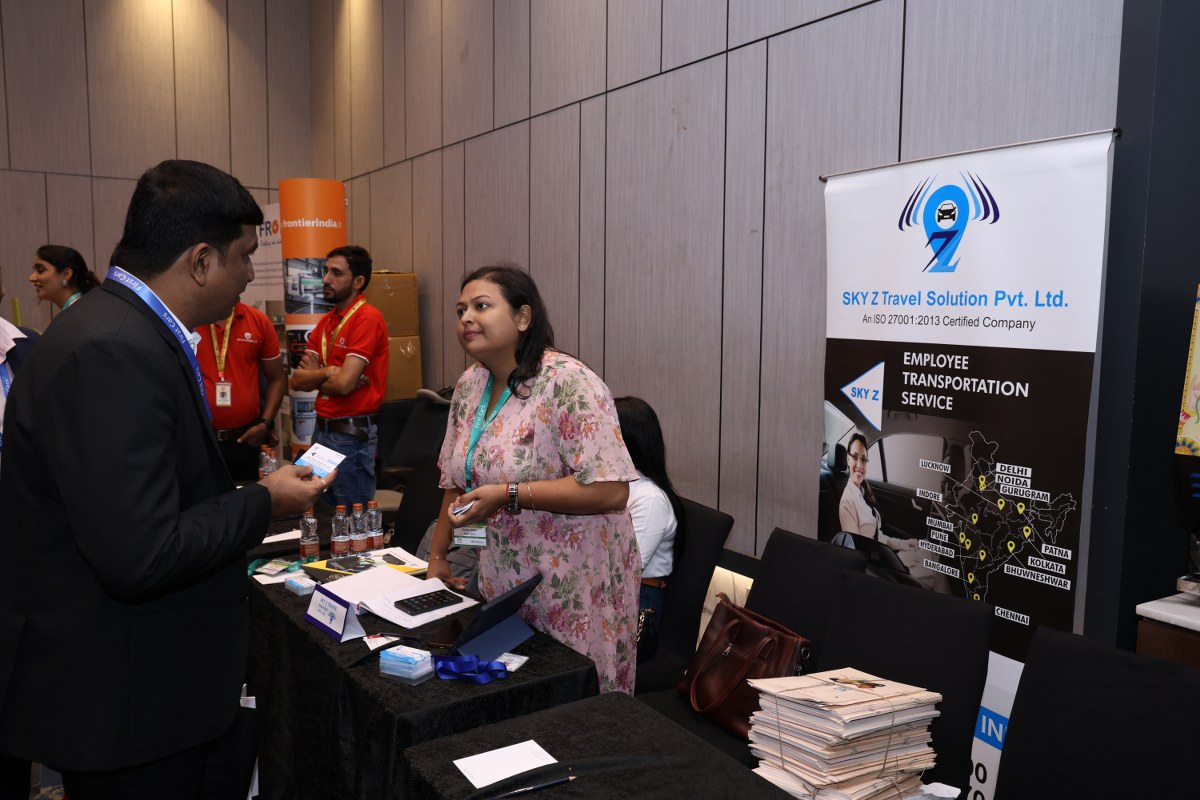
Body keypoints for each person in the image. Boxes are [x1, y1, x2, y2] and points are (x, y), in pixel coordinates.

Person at [0, 159, 332, 800]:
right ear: (201, 260)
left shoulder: (119, 328)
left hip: (144, 688)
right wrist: (263, 501)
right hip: (129, 701)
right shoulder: (114, 349)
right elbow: (140, 553)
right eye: (244, 257)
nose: (248, 276)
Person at [429, 265, 641, 693]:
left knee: (574, 703)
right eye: (460, 310)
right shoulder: (470, 384)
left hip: (576, 583)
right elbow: (456, 478)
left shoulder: (568, 381)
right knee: (515, 699)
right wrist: (438, 555)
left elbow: (610, 489)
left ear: (522, 317)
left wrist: (509, 495)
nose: (466, 318)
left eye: (481, 306)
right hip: (504, 579)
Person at [291, 245, 388, 508]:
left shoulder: (367, 318)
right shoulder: (326, 322)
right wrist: (329, 371)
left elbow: (344, 385)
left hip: (350, 435)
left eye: (336, 273)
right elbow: (297, 381)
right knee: (320, 511)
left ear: (358, 282)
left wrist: (318, 376)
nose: (325, 279)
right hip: (321, 431)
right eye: (325, 271)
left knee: (351, 520)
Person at [615, 396, 684, 662]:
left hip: (640, 603)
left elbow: (627, 569)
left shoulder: (649, 499)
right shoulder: (616, 485)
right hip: (617, 592)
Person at [838, 433, 944, 591]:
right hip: (877, 572)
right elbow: (857, 558)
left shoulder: (862, 491)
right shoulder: (847, 502)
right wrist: (898, 563)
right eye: (854, 457)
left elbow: (878, 537)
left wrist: (902, 544)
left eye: (864, 459)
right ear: (847, 458)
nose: (859, 464)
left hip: (884, 559)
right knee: (935, 577)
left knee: (930, 558)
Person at [197, 301, 286, 482]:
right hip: (200, 439)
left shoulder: (257, 321)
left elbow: (277, 379)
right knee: (202, 497)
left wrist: (265, 424)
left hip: (245, 440)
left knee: (245, 496)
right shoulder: (192, 319)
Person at [28, 244, 98, 311]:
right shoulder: (84, 308)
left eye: (40, 270)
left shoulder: (81, 313)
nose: (31, 278)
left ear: (66, 274)